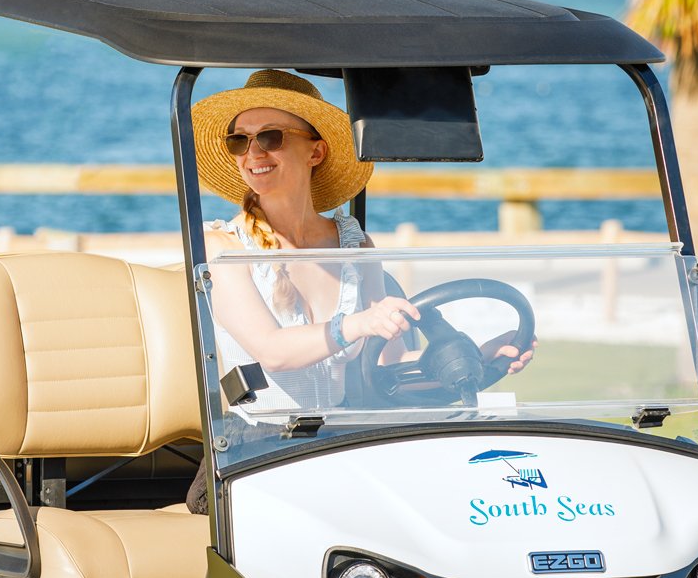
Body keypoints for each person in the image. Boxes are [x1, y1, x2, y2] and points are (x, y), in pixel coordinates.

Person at [190, 69, 531, 410]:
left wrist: (474, 357)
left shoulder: (354, 246)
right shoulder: (223, 248)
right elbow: (272, 352)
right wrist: (356, 325)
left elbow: (389, 366)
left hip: (340, 432)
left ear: (316, 153)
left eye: (269, 138)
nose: (252, 153)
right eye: (239, 141)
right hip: (258, 437)